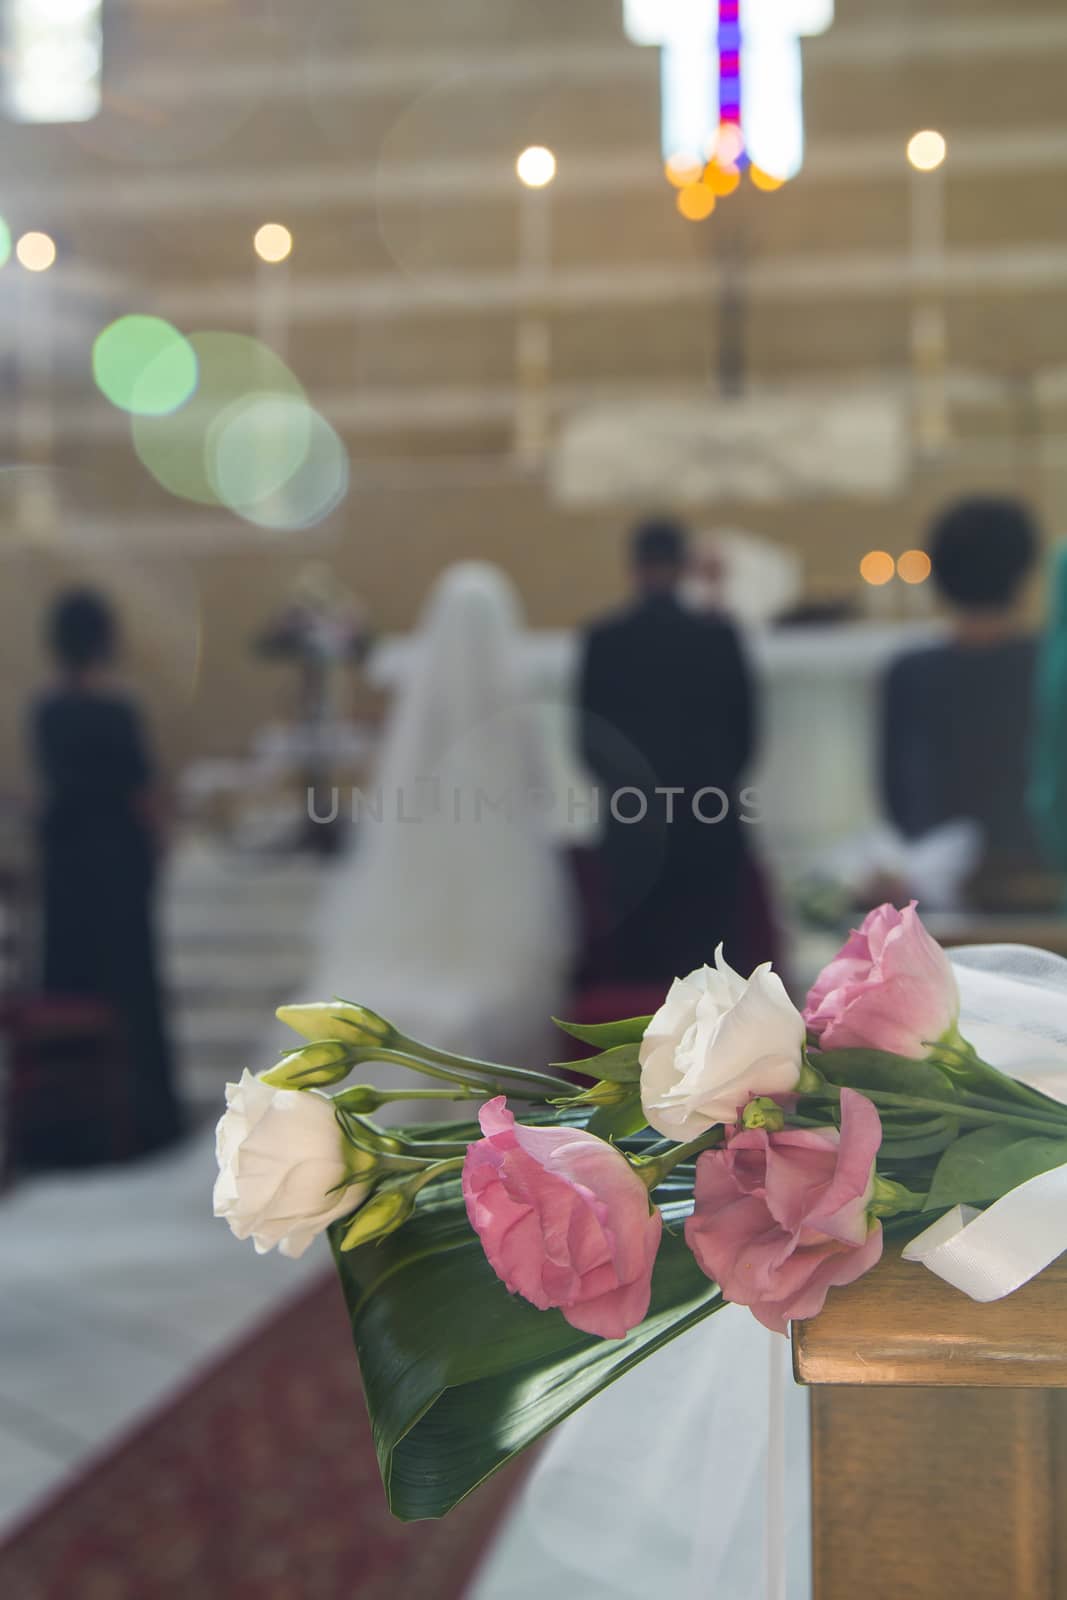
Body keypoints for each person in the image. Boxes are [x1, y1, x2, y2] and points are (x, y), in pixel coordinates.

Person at [296, 563, 575, 1081]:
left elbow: (401, 786)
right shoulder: (512, 704)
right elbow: (539, 786)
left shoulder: (423, 710)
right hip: (501, 875)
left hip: (424, 870)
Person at [29, 589, 181, 1157]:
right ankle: (141, 1122)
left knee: (69, 977)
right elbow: (143, 793)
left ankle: (67, 1129)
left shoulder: (44, 710)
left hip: (67, 865)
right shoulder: (117, 710)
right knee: (129, 988)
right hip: (118, 862)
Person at [576, 517, 756, 981]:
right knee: (711, 969)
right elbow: (747, 737)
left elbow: (588, 743)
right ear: (683, 567)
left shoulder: (603, 640)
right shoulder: (719, 636)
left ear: (633, 568)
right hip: (709, 821)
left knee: (640, 971)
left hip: (632, 823)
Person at [882, 497, 1041, 891]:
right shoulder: (1047, 666)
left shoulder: (909, 672)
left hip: (933, 881)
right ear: (1023, 570)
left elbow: (896, 796)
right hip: (1037, 871)